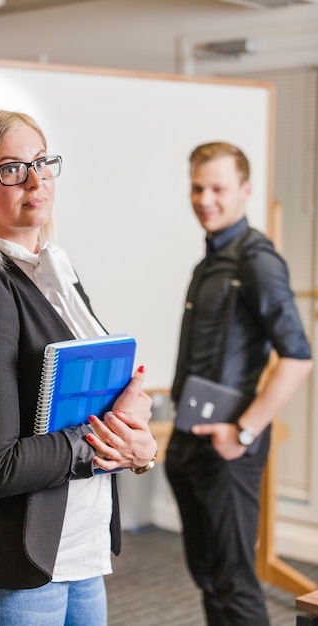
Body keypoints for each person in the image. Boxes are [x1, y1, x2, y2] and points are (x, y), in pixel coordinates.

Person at [0, 109, 157, 626]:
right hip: (10, 566)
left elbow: (88, 410)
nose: (35, 180)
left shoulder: (59, 273)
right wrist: (107, 442)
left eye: (42, 162)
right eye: (11, 168)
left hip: (78, 550)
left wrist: (139, 450)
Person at [165, 141, 313, 626]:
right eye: (197, 187)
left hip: (229, 451)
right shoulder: (208, 263)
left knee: (234, 583)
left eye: (218, 188)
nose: (205, 198)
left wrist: (243, 432)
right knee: (208, 578)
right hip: (191, 442)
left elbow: (298, 357)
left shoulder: (257, 260)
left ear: (245, 190)